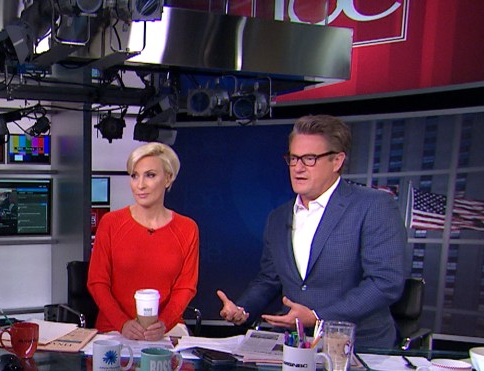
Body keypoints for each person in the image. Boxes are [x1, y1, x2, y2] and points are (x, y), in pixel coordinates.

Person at [217, 115, 407, 348]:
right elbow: (270, 278)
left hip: (358, 346)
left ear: (337, 161)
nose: (298, 168)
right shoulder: (278, 217)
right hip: (294, 345)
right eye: (293, 158)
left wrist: (318, 316)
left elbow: (385, 282)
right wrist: (243, 309)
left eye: (310, 159)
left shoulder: (373, 206)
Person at [87, 142, 199, 341]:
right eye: (134, 176)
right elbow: (97, 282)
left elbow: (186, 287)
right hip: (114, 328)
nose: (140, 185)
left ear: (168, 178)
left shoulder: (187, 228)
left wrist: (163, 323)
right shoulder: (111, 223)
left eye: (150, 175)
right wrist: (122, 323)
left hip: (167, 329)